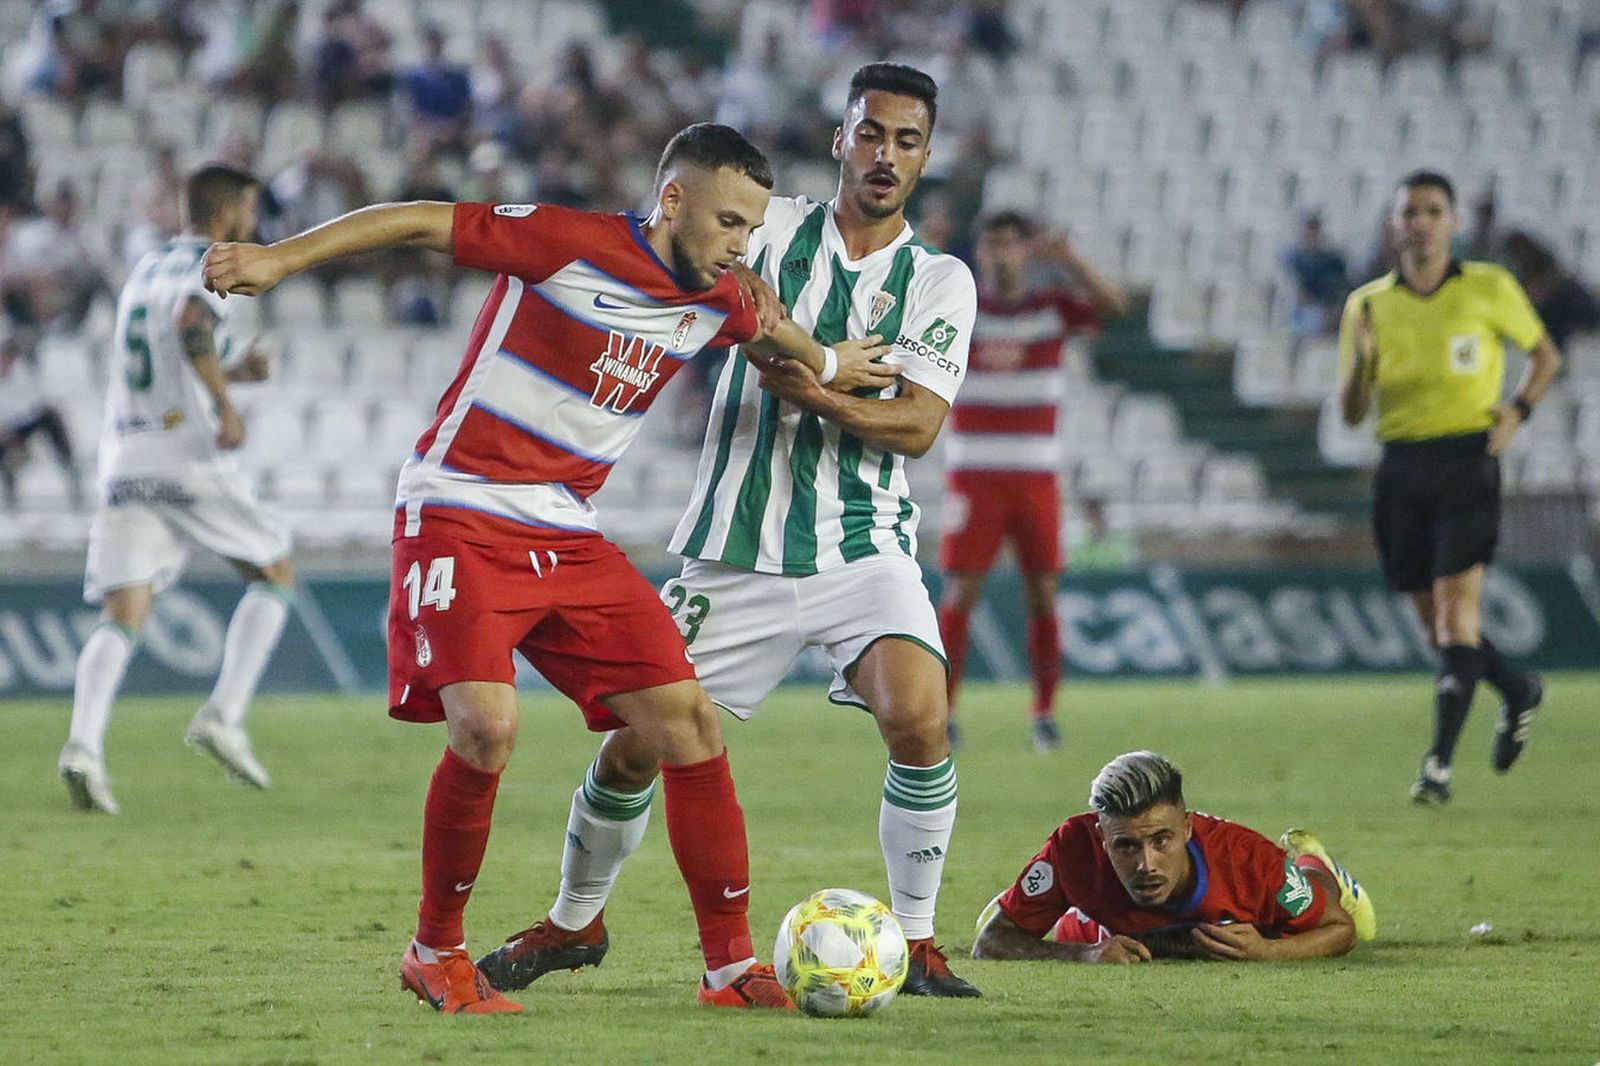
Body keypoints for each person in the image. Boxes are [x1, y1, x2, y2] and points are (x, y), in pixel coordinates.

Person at [202, 123, 886, 1014]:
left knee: (688, 724)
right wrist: (278, 260)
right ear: (671, 200)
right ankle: (433, 952)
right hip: (460, 506)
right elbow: (416, 221)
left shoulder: (721, 293)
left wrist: (830, 362)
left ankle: (730, 969)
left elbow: (769, 327)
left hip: (568, 529)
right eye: (727, 221)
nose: (738, 245)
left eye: (750, 230)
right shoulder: (568, 244)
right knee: (486, 729)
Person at [484, 63, 985, 1001]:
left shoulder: (940, 280)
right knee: (639, 743)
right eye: (869, 133)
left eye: (906, 141)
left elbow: (919, 425)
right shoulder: (773, 224)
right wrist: (811, 362)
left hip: (865, 545)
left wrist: (816, 390)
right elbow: (729, 307)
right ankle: (573, 920)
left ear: (925, 157)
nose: (884, 156)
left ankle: (915, 943)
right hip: (735, 546)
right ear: (840, 138)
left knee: (920, 718)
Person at [57, 165, 293, 816]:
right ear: (228, 210)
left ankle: (82, 746)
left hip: (125, 454)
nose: (252, 219)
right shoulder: (216, 262)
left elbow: (167, 348)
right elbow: (192, 322)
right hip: (185, 452)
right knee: (274, 572)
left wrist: (234, 370)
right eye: (248, 207)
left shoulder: (146, 266)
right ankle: (224, 714)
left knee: (121, 613)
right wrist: (227, 405)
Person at [1337, 170, 1563, 806]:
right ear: (1393, 222)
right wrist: (1362, 361)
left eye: (1433, 210)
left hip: (1467, 460)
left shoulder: (1489, 287)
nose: (1421, 221)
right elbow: (1352, 411)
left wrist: (1517, 411)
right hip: (1401, 466)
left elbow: (1545, 355)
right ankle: (1516, 689)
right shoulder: (1368, 305)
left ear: (1453, 223)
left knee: (1456, 613)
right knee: (1437, 629)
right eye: (1410, 210)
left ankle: (1437, 767)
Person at [937, 212, 1126, 752]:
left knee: (1042, 595)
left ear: (1026, 251)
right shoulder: (960, 306)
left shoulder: (1052, 308)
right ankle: (943, 712)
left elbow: (1114, 309)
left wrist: (1069, 261)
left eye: (1009, 245)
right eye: (990, 244)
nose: (999, 255)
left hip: (1036, 477)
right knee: (959, 594)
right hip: (974, 478)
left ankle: (1044, 713)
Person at [971, 750, 1377, 963]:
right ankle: (1060, 912)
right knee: (1076, 934)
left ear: (1187, 827)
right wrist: (1082, 956)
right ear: (1102, 837)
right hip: (1109, 926)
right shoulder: (1073, 847)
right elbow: (990, 940)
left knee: (1311, 915)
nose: (1146, 864)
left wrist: (1269, 952)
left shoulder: (1249, 861)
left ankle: (1311, 859)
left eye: (1161, 840)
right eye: (1126, 846)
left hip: (1264, 905)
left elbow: (1339, 930)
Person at [1284, 213, 1349, 337]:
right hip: (1302, 313)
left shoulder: (1333, 260)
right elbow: (1293, 287)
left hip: (1326, 309)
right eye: (1310, 230)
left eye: (1316, 230)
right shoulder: (1294, 259)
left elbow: (1339, 286)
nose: (1313, 235)